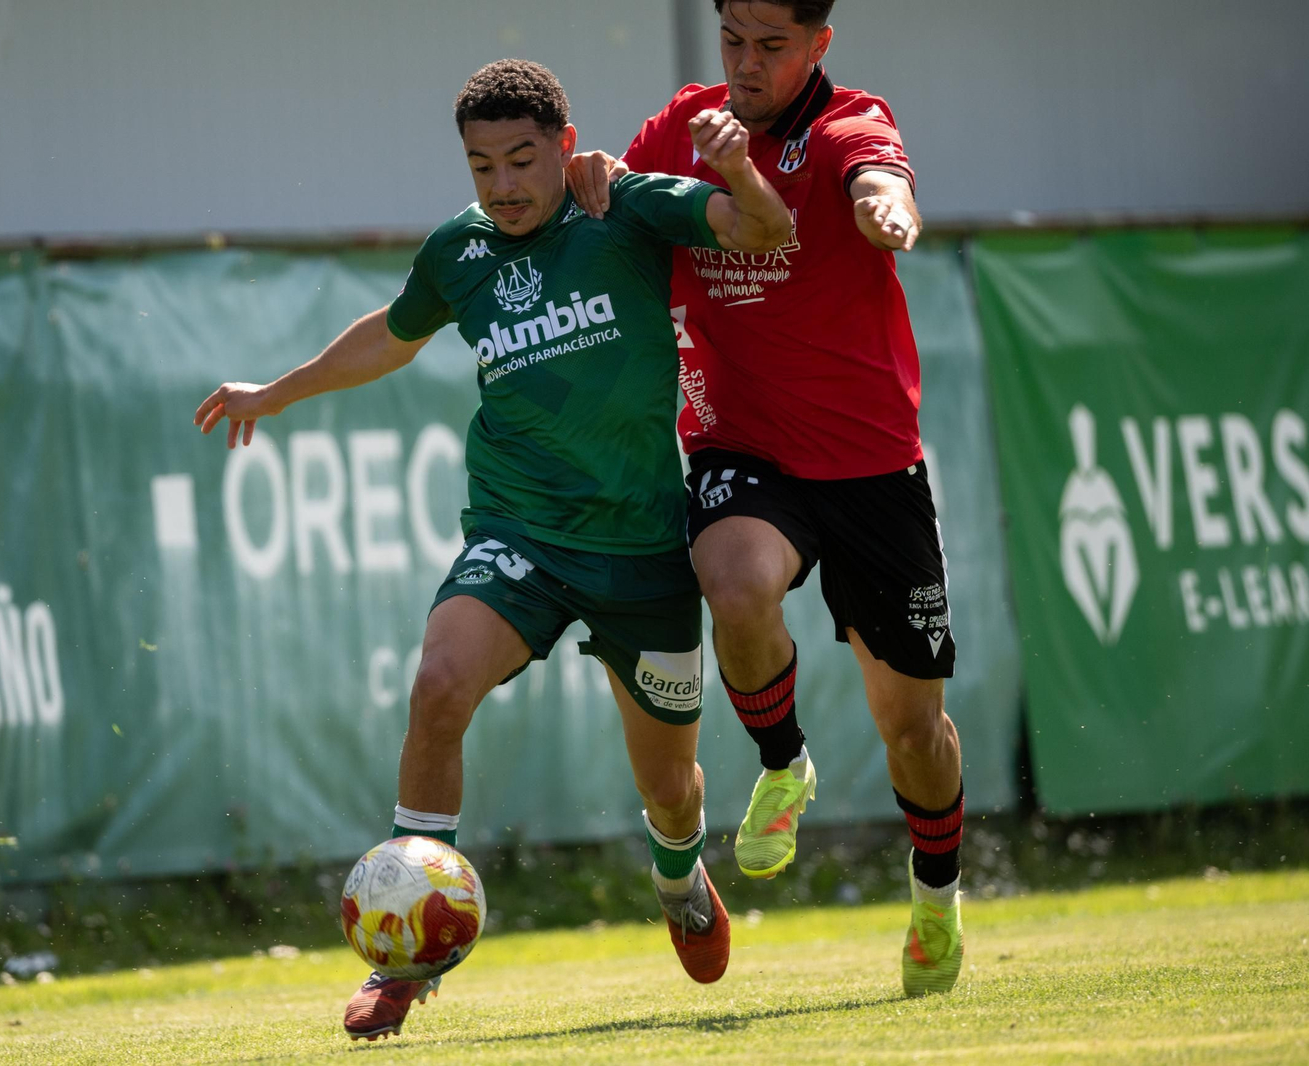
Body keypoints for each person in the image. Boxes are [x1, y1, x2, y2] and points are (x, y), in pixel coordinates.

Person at [196, 59, 791, 1039]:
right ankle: (404, 957)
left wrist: (733, 171)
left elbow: (761, 229)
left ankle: (678, 875)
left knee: (670, 789)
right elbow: (390, 337)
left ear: (565, 147)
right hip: (519, 534)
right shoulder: (458, 251)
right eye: (482, 167)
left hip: (642, 551)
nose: (503, 185)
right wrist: (275, 391)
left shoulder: (626, 209)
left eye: (522, 160)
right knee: (438, 686)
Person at [567, 0, 965, 996]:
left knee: (912, 730)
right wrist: (592, 177)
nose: (745, 63)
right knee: (732, 582)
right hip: (741, 447)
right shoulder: (685, 123)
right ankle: (784, 763)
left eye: (771, 46)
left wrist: (888, 208)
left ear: (819, 45)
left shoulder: (849, 125)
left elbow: (880, 179)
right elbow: (620, 200)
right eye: (733, 40)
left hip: (870, 463)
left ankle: (935, 893)